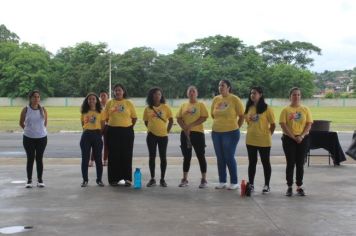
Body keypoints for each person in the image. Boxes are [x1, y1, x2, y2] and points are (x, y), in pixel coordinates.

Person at [211, 80, 244, 190]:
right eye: (219, 85)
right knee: (220, 157)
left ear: (228, 87)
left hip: (231, 133)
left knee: (228, 156)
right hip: (216, 133)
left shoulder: (234, 99)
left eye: (223, 85)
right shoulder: (216, 99)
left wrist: (235, 128)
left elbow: (241, 116)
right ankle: (222, 181)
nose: (220, 87)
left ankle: (234, 182)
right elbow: (213, 115)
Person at [279, 87, 313, 197]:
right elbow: (283, 125)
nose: (296, 97)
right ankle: (289, 186)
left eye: (298, 95)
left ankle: (299, 186)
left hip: (303, 139)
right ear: (290, 97)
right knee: (290, 163)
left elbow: (309, 124)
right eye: (294, 94)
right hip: (289, 139)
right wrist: (294, 137)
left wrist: (301, 136)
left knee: (300, 163)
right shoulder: (285, 110)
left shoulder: (305, 109)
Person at [105, 84, 137, 186]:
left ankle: (127, 179)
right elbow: (105, 117)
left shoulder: (128, 103)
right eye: (116, 90)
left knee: (126, 155)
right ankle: (114, 179)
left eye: (119, 90)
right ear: (113, 92)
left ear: (123, 92)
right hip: (112, 131)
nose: (117, 92)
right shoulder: (110, 103)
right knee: (113, 155)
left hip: (126, 132)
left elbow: (134, 118)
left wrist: (128, 127)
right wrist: (113, 123)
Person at [176, 86, 208, 188]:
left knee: (200, 156)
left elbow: (203, 117)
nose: (192, 93)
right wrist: (185, 128)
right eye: (190, 91)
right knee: (187, 157)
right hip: (185, 134)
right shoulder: (184, 105)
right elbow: (179, 118)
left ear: (197, 93)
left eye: (194, 91)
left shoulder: (200, 105)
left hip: (198, 134)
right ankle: (184, 179)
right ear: (187, 93)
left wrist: (190, 125)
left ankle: (203, 179)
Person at [244, 87, 275, 193]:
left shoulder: (267, 108)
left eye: (255, 93)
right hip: (251, 140)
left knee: (265, 162)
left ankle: (267, 185)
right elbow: (248, 122)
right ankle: (251, 184)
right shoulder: (249, 107)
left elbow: (273, 124)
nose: (252, 95)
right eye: (251, 93)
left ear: (260, 94)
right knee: (252, 163)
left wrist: (267, 134)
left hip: (264, 141)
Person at [143, 87, 173, 187]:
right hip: (151, 136)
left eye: (159, 94)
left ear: (161, 96)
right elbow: (146, 121)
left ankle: (162, 179)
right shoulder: (148, 108)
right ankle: (152, 179)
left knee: (163, 157)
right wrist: (151, 129)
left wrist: (166, 131)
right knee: (152, 157)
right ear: (151, 96)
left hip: (163, 136)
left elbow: (171, 120)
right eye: (155, 94)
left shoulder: (165, 107)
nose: (157, 96)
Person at [19, 90, 48, 188]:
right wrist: (29, 131)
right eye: (34, 97)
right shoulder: (26, 109)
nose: (36, 99)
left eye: (38, 97)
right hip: (28, 138)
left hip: (42, 138)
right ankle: (29, 180)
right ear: (30, 98)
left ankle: (40, 180)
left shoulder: (43, 109)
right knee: (30, 158)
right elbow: (21, 123)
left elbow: (45, 124)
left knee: (39, 159)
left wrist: (39, 131)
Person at [80, 93, 105, 187]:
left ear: (96, 100)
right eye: (89, 99)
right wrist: (88, 130)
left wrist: (98, 133)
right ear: (87, 101)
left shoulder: (101, 111)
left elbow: (103, 124)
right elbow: (82, 124)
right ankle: (85, 180)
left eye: (93, 99)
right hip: (86, 135)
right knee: (85, 159)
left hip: (97, 135)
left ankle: (99, 180)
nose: (91, 101)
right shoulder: (84, 111)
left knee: (98, 159)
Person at [89, 90, 109, 167]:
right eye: (101, 96)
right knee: (96, 144)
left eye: (104, 95)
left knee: (106, 144)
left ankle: (105, 160)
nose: (103, 97)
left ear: (107, 97)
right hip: (98, 126)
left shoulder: (110, 105)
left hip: (107, 126)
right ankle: (91, 160)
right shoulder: (97, 105)